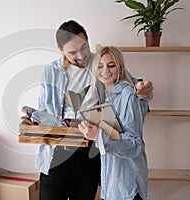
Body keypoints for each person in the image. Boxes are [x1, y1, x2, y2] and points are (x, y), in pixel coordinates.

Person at [35, 20, 153, 200]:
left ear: (87, 40)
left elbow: (133, 85)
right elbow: (44, 109)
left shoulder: (100, 62)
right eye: (73, 52)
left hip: (91, 147)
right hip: (57, 151)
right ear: (61, 51)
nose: (81, 55)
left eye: (83, 47)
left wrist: (146, 90)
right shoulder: (50, 71)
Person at [78, 46, 149, 200]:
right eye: (100, 66)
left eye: (111, 65)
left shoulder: (129, 96)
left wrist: (99, 137)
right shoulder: (105, 96)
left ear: (121, 68)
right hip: (111, 187)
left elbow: (135, 145)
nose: (105, 71)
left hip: (127, 187)